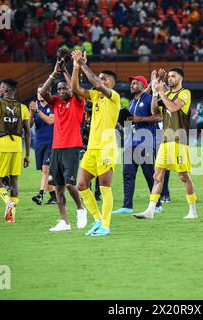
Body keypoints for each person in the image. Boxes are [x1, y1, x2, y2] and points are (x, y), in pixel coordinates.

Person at [133, 67, 198, 220]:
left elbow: (174, 108)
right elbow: (155, 111)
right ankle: (150, 210)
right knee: (158, 176)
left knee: (183, 176)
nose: (170, 78)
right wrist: (155, 92)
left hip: (179, 140)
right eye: (168, 76)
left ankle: (193, 211)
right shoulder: (166, 94)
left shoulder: (185, 93)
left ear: (181, 78)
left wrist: (161, 90)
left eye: (173, 76)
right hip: (166, 141)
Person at [71, 50, 120, 237]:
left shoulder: (113, 96)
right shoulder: (95, 96)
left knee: (105, 187)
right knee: (81, 185)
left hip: (107, 148)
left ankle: (106, 226)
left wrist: (83, 64)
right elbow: (76, 89)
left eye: (105, 78)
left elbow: (97, 84)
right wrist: (76, 68)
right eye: (100, 78)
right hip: (92, 148)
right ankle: (98, 220)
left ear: (112, 83)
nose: (101, 80)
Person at [39, 62, 87, 232]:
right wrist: (53, 73)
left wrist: (66, 70)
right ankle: (64, 221)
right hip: (56, 149)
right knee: (58, 186)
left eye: (64, 88)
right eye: (59, 89)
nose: (61, 91)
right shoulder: (56, 102)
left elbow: (75, 88)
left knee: (69, 184)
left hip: (72, 147)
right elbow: (43, 92)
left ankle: (81, 208)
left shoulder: (77, 101)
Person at [0, 78, 31, 223]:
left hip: (1, 145)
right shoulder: (23, 107)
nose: (0, 89)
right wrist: (27, 154)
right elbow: (27, 132)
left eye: (2, 87)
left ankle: (7, 200)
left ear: (7, 90)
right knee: (14, 181)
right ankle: (11, 216)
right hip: (17, 147)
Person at [112, 75, 163, 214]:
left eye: (135, 83)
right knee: (127, 175)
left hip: (145, 143)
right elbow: (131, 122)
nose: (132, 85)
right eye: (131, 83)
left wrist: (139, 118)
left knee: (150, 175)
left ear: (143, 85)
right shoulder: (131, 103)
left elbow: (159, 117)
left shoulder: (148, 99)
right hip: (130, 144)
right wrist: (121, 122)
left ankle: (157, 204)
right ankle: (127, 206)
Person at [29, 87, 57, 205]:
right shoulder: (35, 106)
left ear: (47, 93)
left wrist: (37, 111)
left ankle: (40, 195)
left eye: (42, 92)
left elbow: (50, 121)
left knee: (46, 170)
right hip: (38, 143)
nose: (39, 94)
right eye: (38, 92)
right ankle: (54, 197)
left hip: (51, 142)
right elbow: (30, 125)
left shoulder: (52, 105)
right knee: (45, 172)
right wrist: (31, 113)